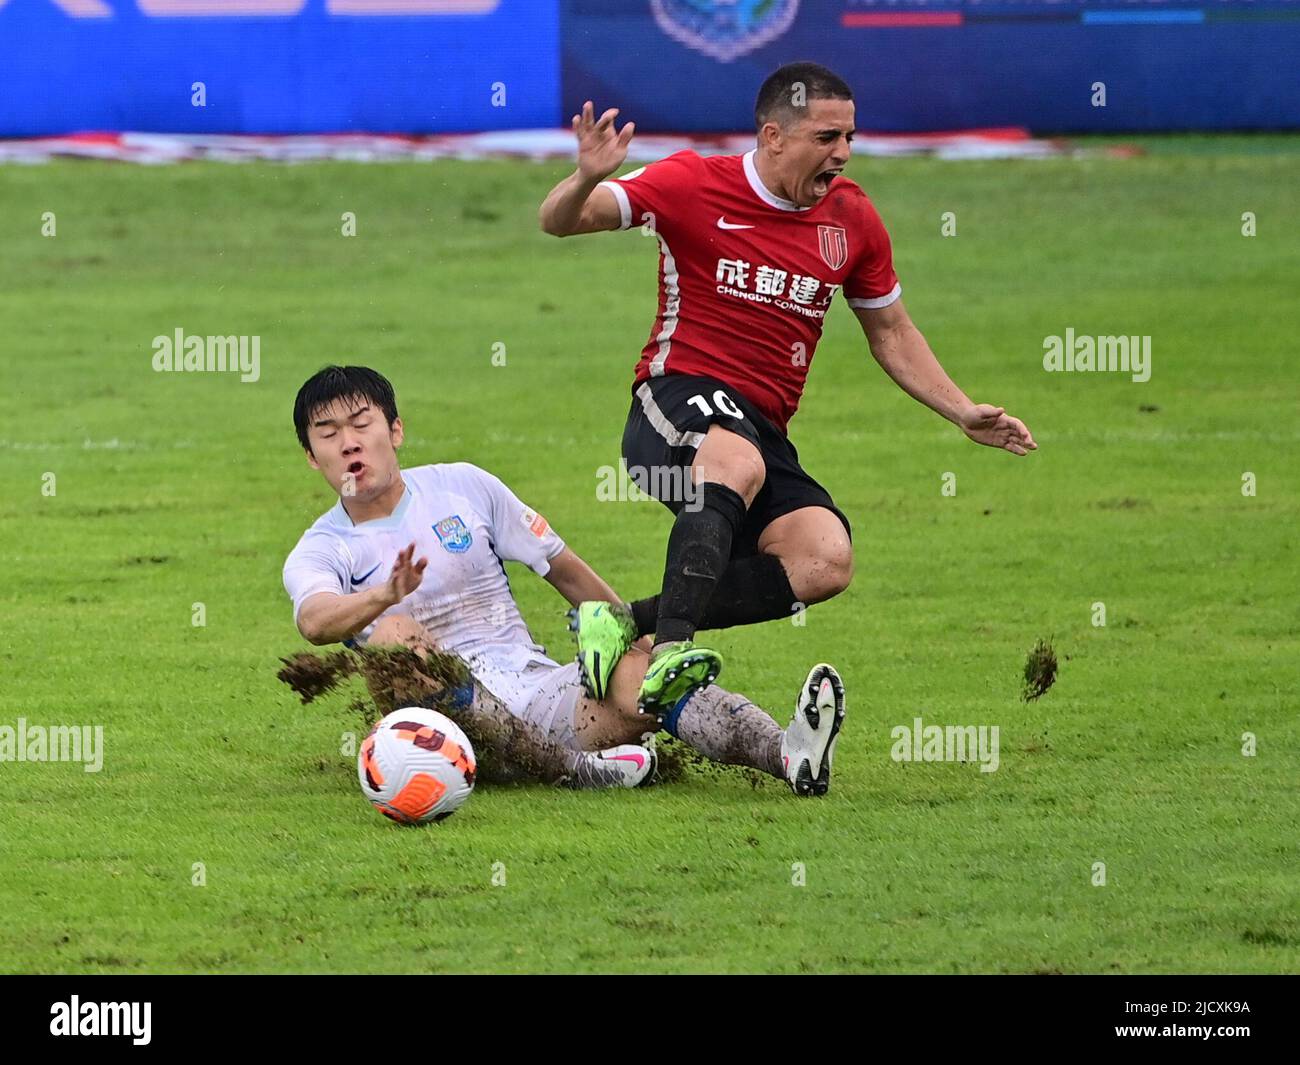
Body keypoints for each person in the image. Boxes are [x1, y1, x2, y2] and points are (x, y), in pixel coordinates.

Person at [539, 61, 1037, 721]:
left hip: (759, 429)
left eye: (850, 137)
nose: (844, 154)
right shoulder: (693, 182)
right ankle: (672, 652)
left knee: (823, 558)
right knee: (735, 459)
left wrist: (961, 410)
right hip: (674, 403)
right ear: (774, 136)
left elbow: (890, 331)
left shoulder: (852, 219)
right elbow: (559, 221)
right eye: (827, 137)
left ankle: (622, 619)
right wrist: (585, 179)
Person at [281, 365, 847, 796]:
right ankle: (577, 774)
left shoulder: (463, 487)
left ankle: (788, 752)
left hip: (534, 689)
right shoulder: (322, 547)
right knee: (393, 635)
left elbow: (563, 567)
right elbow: (314, 620)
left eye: (362, 425)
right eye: (328, 434)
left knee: (637, 677)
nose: (349, 443)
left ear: (395, 430)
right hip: (440, 732)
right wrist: (384, 595)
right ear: (312, 457)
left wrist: (637, 640)